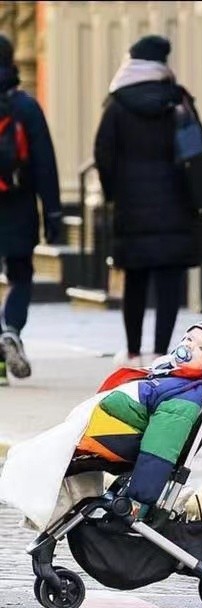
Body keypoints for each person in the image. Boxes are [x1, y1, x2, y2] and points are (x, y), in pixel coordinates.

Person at [0, 314, 202, 531]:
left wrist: (138, 499)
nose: (190, 346)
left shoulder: (184, 397)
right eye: (188, 339)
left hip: (107, 435)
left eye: (201, 348)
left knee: (37, 457)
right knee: (45, 459)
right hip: (98, 428)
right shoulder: (168, 374)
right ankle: (52, 517)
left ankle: (47, 515)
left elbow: (160, 448)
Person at [94, 35, 202, 367]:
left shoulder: (116, 106)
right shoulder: (178, 101)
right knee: (169, 280)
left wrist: (113, 192)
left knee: (135, 279)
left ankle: (132, 351)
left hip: (131, 204)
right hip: (174, 203)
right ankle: (160, 351)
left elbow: (103, 152)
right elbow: (196, 150)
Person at [0, 34, 62, 385]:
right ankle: (11, 329)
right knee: (20, 274)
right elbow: (45, 164)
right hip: (20, 203)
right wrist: (52, 212)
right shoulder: (26, 107)